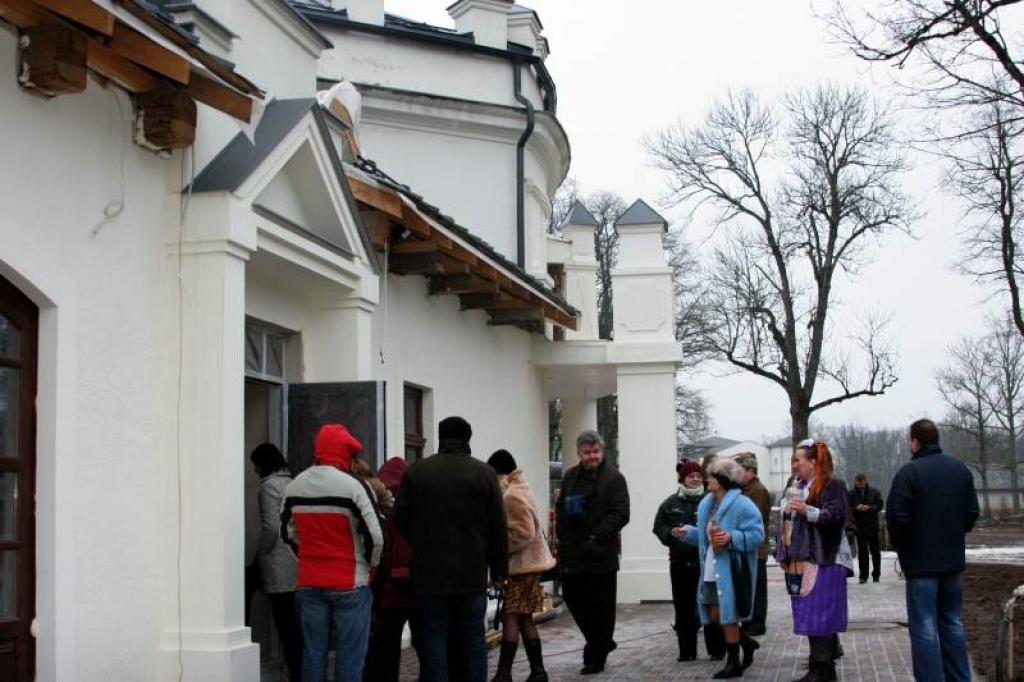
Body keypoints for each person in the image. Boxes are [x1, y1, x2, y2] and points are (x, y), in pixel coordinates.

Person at [394, 416, 508, 682]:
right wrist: (499, 569)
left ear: (440, 437)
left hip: (429, 573)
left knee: (434, 636)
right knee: (473, 637)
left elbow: (400, 517)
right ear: (468, 439)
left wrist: (421, 541)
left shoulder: (416, 472)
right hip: (472, 572)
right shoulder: (484, 473)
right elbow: (497, 527)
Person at [281, 423, 383, 682]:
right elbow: (376, 537)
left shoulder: (294, 485)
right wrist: (370, 568)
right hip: (351, 581)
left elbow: (286, 533)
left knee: (313, 654)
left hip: (310, 580)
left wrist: (305, 557)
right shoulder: (354, 486)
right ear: (345, 454)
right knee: (350, 657)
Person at [887, 419, 979, 682]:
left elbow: (898, 519)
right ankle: (960, 677)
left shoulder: (909, 473)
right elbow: (972, 512)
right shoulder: (960, 471)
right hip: (952, 562)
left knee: (924, 627)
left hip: (920, 565)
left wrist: (903, 544)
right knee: (953, 622)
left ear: (915, 441)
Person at [679, 456, 764, 679]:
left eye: (712, 476)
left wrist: (731, 537)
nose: (707, 479)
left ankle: (733, 662)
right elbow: (707, 538)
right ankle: (746, 643)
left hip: (731, 570)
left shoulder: (743, 504)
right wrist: (689, 533)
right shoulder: (707, 503)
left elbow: (757, 535)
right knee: (716, 615)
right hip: (710, 568)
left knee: (727, 615)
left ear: (723, 479)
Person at [555, 430, 630, 675]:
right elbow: (560, 511)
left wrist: (596, 536)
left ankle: (595, 657)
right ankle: (602, 643)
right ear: (579, 453)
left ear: (602, 451)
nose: (592, 456)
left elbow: (621, 514)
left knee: (601, 609)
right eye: (587, 452)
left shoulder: (614, 478)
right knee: (574, 600)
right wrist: (562, 541)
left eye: (595, 451)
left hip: (600, 556)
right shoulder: (569, 477)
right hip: (572, 555)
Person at [776, 440, 851, 682]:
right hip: (801, 558)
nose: (794, 464)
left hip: (825, 558)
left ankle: (823, 668)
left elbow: (836, 515)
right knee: (809, 613)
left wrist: (808, 510)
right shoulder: (796, 485)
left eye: (798, 460)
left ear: (814, 462)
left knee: (821, 614)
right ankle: (819, 665)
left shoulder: (832, 485)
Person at [487, 449, 556, 682]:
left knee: (511, 616)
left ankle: (504, 674)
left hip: (522, 567)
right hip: (529, 567)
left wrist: (501, 548)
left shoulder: (511, 495)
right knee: (524, 617)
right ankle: (537, 672)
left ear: (499, 474)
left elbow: (524, 532)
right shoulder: (521, 488)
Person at [364, 456, 421, 682]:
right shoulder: (418, 506)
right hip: (418, 588)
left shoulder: (382, 509)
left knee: (385, 648)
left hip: (390, 590)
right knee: (426, 645)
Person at [250, 442, 303, 682]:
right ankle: (295, 669)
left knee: (285, 624)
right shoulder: (292, 482)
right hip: (296, 559)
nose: (255, 470)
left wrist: (260, 554)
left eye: (256, 465)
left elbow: (271, 527)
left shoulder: (268, 487)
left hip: (278, 563)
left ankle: (294, 671)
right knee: (294, 622)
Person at [651, 458, 706, 662]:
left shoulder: (709, 500)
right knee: (683, 608)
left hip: (705, 563)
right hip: (680, 564)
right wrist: (671, 536)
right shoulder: (670, 503)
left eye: (698, 476)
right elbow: (658, 526)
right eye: (691, 476)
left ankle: (716, 649)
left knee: (709, 606)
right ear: (683, 479)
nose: (695, 479)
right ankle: (687, 651)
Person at [734, 451, 772, 637]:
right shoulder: (744, 490)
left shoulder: (758, 491)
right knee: (749, 586)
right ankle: (749, 620)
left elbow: (756, 519)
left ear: (751, 471)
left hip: (756, 548)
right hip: (747, 547)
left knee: (757, 588)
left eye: (741, 470)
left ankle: (757, 622)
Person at [848, 473, 884, 584]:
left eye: (862, 483)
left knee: (875, 552)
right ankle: (863, 576)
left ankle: (876, 574)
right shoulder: (851, 494)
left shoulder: (874, 492)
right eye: (859, 483)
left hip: (872, 526)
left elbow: (880, 505)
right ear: (855, 482)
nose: (861, 485)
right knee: (862, 554)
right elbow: (848, 508)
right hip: (860, 527)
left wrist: (869, 508)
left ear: (865, 481)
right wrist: (856, 508)